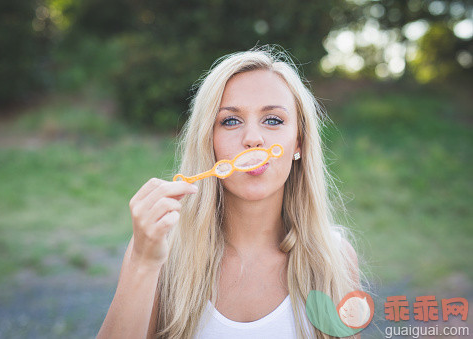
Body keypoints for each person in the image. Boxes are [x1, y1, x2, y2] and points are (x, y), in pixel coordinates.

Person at [97, 46, 365, 339]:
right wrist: (142, 262)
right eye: (230, 121)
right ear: (208, 142)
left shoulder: (334, 259)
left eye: (273, 120)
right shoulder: (161, 253)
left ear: (298, 143)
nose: (253, 139)